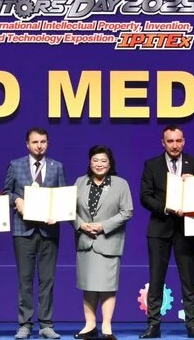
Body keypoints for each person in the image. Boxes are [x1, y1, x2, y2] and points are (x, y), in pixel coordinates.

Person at [139, 125, 194, 339]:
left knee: (189, 279)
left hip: (187, 229)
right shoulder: (152, 164)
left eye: (178, 141)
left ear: (184, 141)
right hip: (159, 229)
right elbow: (145, 196)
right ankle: (153, 325)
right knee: (156, 279)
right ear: (163, 143)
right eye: (170, 141)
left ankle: (192, 324)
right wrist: (166, 208)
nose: (175, 145)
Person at [4, 127, 67, 340]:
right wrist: (17, 200)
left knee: (47, 279)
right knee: (25, 279)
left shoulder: (57, 167)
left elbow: (63, 196)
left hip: (49, 230)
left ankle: (46, 324)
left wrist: (58, 214)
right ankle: (25, 323)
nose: (39, 146)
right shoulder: (16, 165)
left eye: (43, 142)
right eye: (35, 142)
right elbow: (6, 192)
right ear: (27, 144)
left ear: (47, 143)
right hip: (23, 230)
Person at [73, 145, 133, 340]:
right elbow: (69, 210)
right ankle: (90, 325)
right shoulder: (80, 182)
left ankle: (107, 326)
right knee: (89, 285)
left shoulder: (120, 184)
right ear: (90, 162)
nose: (99, 164)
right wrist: (81, 225)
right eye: (95, 160)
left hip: (108, 241)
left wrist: (103, 226)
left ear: (110, 163)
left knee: (107, 286)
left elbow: (127, 212)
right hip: (85, 242)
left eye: (103, 160)